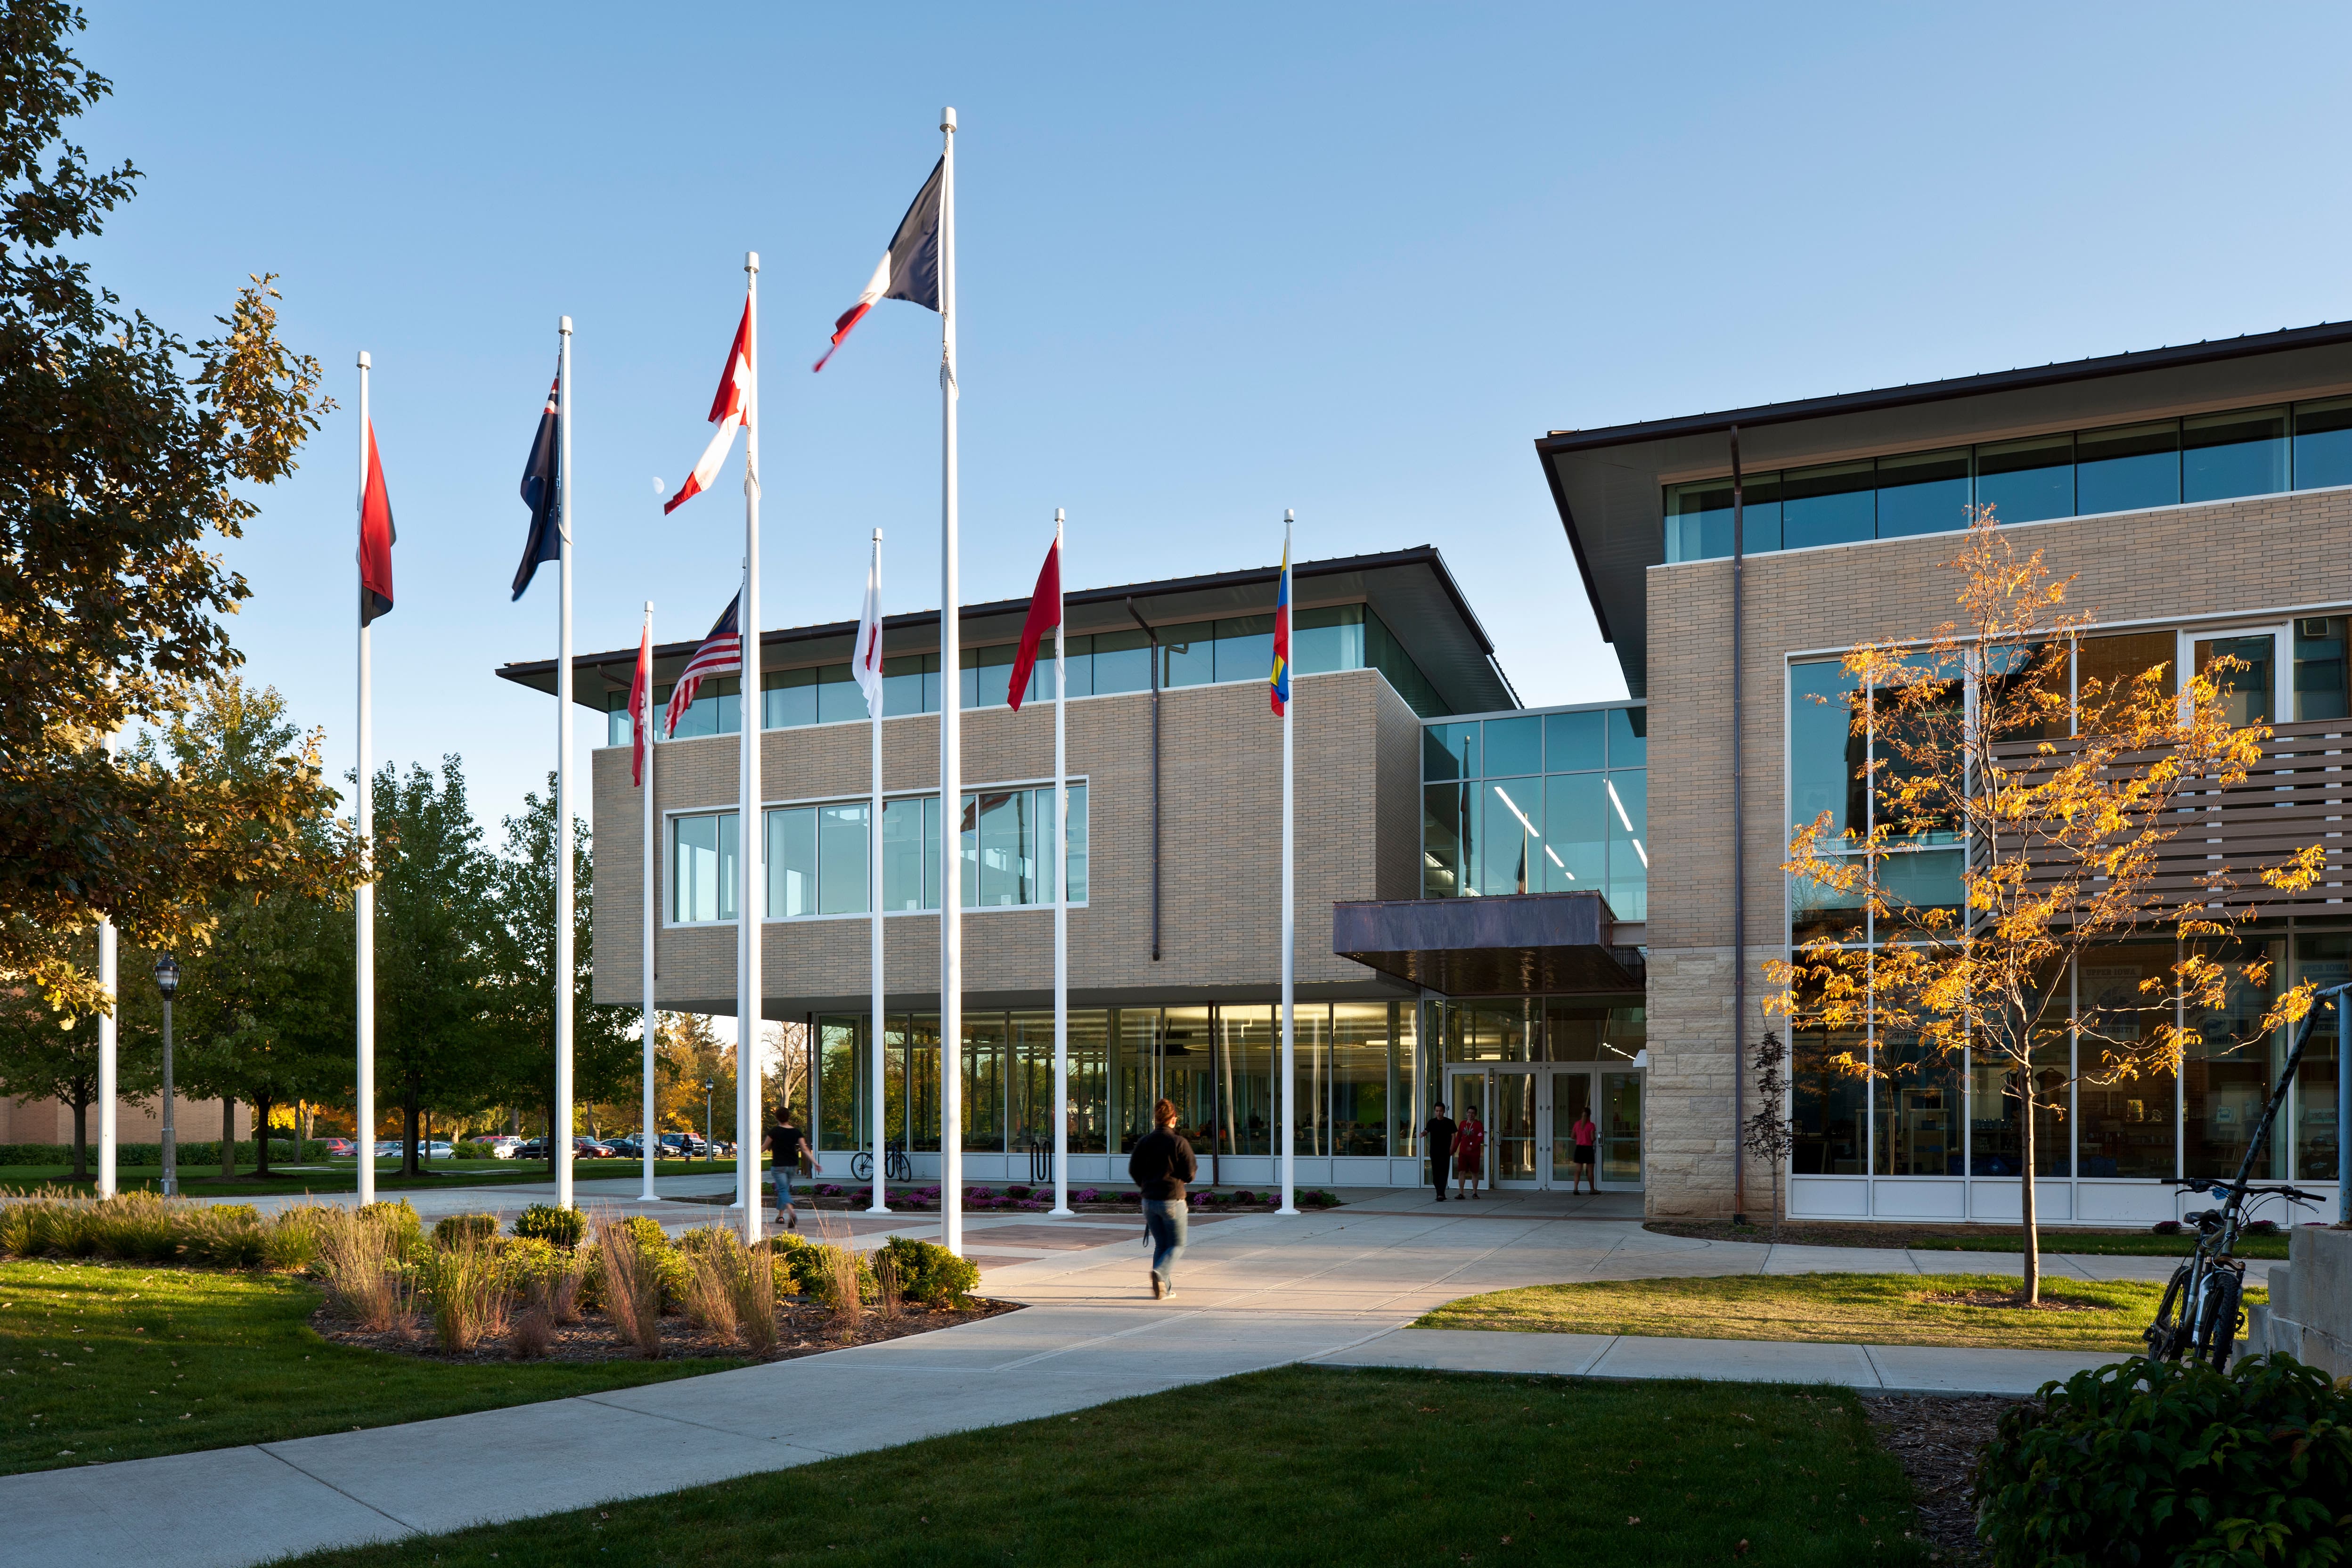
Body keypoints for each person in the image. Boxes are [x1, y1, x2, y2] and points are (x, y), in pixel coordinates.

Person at [1127, 1097, 1196, 1299]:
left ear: (1156, 1120)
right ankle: (1160, 1273)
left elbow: (1134, 1170)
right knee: (1177, 1245)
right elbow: (1190, 1173)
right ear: (1173, 1119)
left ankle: (1163, 1289)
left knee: (1161, 1244)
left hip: (1149, 1201)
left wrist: (1146, 1186)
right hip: (1172, 1200)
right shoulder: (1179, 1142)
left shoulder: (1144, 1142)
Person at [770, 1109, 809, 1230]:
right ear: (789, 1117)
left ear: (777, 1118)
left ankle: (791, 1212)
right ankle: (780, 1216)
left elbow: (763, 1147)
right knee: (785, 1189)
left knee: (782, 1190)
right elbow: (805, 1149)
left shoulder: (774, 1132)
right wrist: (815, 1162)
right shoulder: (796, 1132)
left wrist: (747, 1153)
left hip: (778, 1166)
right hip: (792, 1166)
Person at [1424, 1101, 1457, 1202]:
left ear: (1444, 1112)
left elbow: (1453, 1136)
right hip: (1434, 1151)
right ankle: (1439, 1192)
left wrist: (1452, 1148)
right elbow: (1426, 1131)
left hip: (1445, 1151)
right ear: (1435, 1112)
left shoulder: (1449, 1122)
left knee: (1444, 1172)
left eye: (1441, 1111)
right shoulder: (1432, 1122)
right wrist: (1422, 1134)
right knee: (1436, 1174)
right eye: (1437, 1111)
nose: (1439, 1113)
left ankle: (1441, 1194)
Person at [1453, 1109, 1487, 1198]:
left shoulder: (1478, 1124)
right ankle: (1461, 1193)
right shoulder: (1463, 1124)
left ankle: (1475, 1193)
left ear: (1475, 1115)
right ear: (1466, 1113)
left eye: (1472, 1113)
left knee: (1474, 1172)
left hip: (1474, 1153)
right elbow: (1459, 1137)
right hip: (1463, 1153)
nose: (1470, 1115)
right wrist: (1454, 1149)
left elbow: (1480, 1138)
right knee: (1461, 1172)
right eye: (1469, 1113)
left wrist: (1472, 1147)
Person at [1570, 1106, 1599, 1194]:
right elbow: (1592, 1138)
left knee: (1578, 1170)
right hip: (1588, 1149)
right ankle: (1592, 1189)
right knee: (1590, 1170)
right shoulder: (1591, 1125)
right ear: (1590, 1115)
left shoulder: (1577, 1124)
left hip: (1579, 1148)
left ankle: (1575, 1188)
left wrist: (1579, 1138)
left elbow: (1572, 1136)